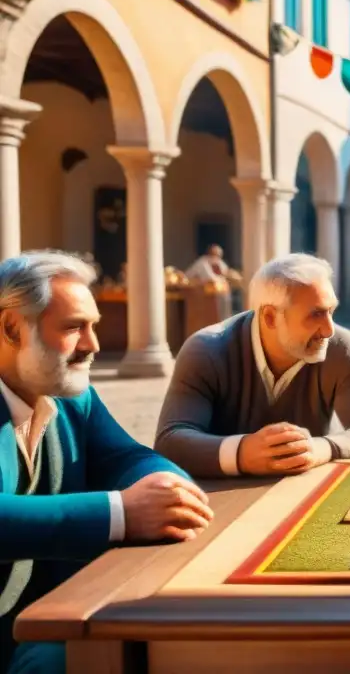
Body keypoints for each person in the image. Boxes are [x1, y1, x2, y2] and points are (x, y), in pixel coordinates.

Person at [0, 251, 212, 674]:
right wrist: (120, 514)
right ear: (10, 327)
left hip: (61, 610)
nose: (93, 345)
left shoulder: (73, 396)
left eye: (93, 326)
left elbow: (126, 456)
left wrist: (167, 488)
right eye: (74, 327)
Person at [154, 253, 350, 479]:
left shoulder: (341, 348)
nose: (328, 330)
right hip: (223, 499)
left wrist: (320, 448)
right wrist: (242, 454)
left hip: (310, 494)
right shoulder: (206, 351)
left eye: (331, 311)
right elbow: (170, 442)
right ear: (270, 317)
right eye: (315, 314)